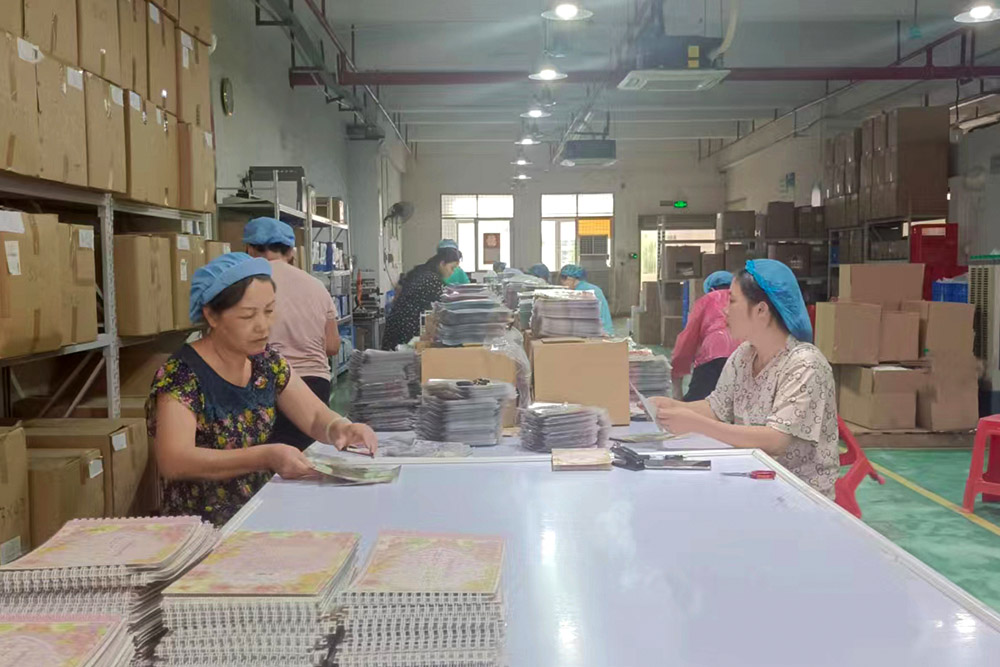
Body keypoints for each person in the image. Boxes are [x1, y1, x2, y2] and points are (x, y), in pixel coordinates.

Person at [146, 253, 378, 526]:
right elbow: (175, 460)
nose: (263, 326)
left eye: (269, 311)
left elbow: (315, 416)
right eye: (248, 315)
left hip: (259, 515)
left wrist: (342, 428)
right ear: (211, 315)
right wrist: (265, 456)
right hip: (200, 529)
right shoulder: (182, 375)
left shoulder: (265, 363)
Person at [650, 260, 839, 498]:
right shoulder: (744, 354)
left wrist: (696, 425)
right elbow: (717, 407)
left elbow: (775, 440)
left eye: (732, 301)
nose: (724, 310)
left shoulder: (805, 364)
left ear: (761, 310)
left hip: (797, 495)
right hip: (753, 481)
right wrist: (673, 407)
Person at [243, 217, 340, 450]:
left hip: (263, 384)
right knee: (305, 465)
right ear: (292, 251)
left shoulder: (245, 285)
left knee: (266, 465)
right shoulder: (316, 286)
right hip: (314, 384)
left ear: (249, 248)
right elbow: (333, 346)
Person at [670, 270, 741, 402]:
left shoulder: (707, 300)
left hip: (712, 355)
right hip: (744, 355)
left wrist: (677, 372)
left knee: (696, 403)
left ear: (710, 288)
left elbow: (688, 338)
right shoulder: (746, 300)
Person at [381, 247, 461, 350]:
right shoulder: (431, 279)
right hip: (405, 329)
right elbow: (445, 304)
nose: (452, 272)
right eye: (452, 268)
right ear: (442, 264)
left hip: (397, 326)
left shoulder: (423, 272)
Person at [559, 264, 614, 336]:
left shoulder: (579, 292)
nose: (564, 286)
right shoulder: (594, 288)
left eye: (564, 282)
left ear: (570, 279)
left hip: (598, 332)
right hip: (605, 330)